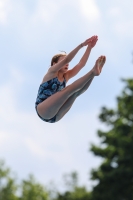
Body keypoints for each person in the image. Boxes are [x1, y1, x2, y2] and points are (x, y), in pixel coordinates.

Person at [35, 35, 106, 123]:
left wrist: (89, 47)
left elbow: (81, 64)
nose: (67, 64)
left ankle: (93, 74)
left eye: (67, 63)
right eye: (63, 61)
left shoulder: (66, 76)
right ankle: (92, 72)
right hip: (43, 110)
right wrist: (82, 45)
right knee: (68, 90)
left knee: (76, 93)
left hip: (55, 117)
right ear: (54, 64)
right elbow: (67, 59)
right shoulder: (51, 72)